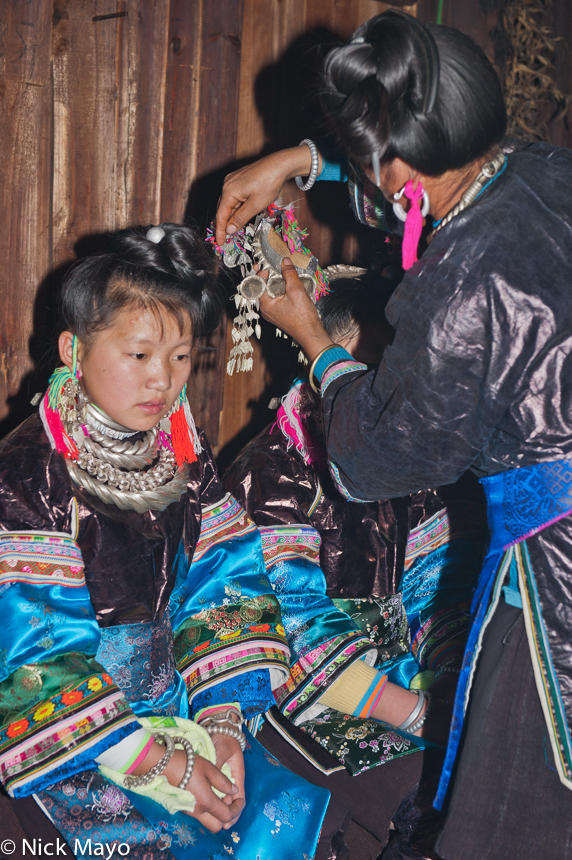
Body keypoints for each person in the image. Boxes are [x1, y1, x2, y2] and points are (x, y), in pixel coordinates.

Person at [215, 10, 572, 859]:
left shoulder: (458, 293)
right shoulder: (545, 170)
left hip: (557, 571)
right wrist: (305, 160)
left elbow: (374, 460)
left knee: (516, 812)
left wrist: (314, 345)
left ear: (399, 176)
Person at [0, 223, 330, 859]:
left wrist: (221, 723)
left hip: (180, 704)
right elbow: (35, 651)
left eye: (182, 357)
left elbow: (222, 582)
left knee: (283, 812)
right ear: (73, 349)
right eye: (140, 355)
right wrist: (162, 763)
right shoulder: (25, 474)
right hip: (80, 728)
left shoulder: (182, 452)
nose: (164, 380)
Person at [223, 273, 487, 857]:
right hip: (301, 687)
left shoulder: (404, 464)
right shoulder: (269, 472)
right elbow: (300, 635)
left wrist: (452, 690)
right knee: (417, 793)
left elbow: (433, 595)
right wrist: (419, 716)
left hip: (397, 679)